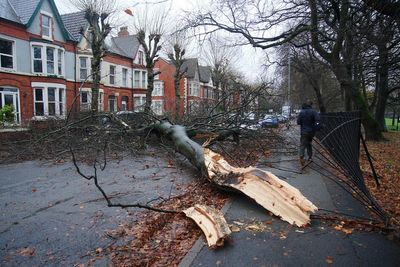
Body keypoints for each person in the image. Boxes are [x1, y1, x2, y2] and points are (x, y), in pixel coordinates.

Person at [297, 101, 320, 167]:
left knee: (303, 144)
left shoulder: (302, 112)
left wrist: (303, 123)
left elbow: (298, 122)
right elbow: (318, 120)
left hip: (304, 131)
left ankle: (302, 156)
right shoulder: (314, 112)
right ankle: (310, 157)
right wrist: (316, 126)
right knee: (309, 144)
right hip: (311, 131)